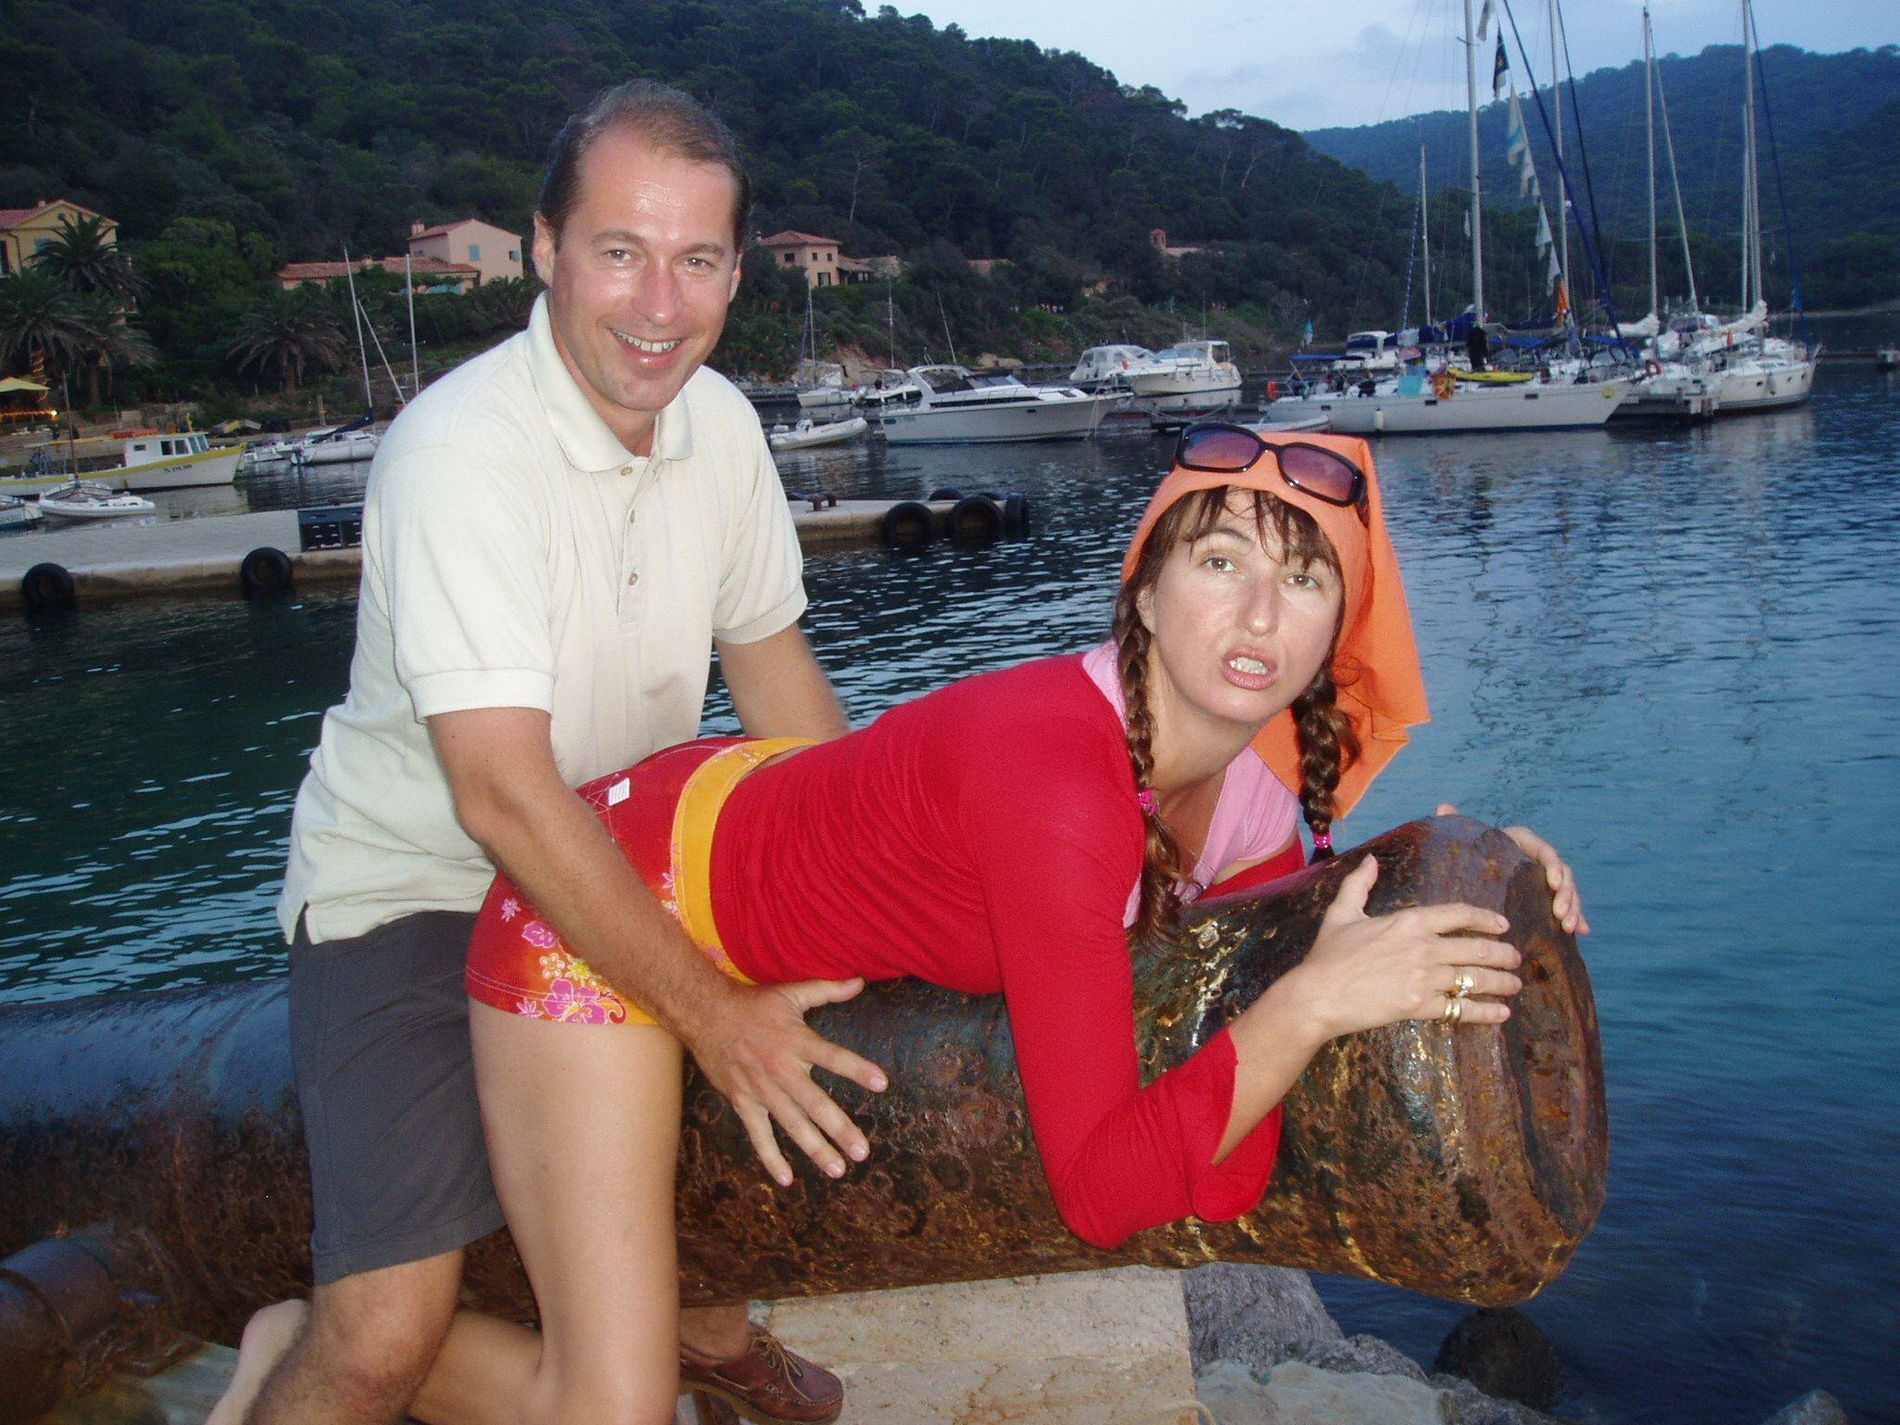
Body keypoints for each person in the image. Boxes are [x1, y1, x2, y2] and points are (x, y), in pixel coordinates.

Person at [421, 425, 1587, 1420]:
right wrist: (1312, 1005)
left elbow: (1237, 1088)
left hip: (740, 810)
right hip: (611, 902)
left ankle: (704, 1334)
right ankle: (371, 1362)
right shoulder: (1058, 792)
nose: (1256, 612)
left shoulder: (1244, 807)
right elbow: (1101, 1191)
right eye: (1219, 560)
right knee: (610, 1407)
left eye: (1304, 578)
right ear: (1143, 591)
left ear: (1339, 631)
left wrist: (1465, 874)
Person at [212, 80, 874, 1425]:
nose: (659, 303)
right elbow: (501, 795)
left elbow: (776, 681)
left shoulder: (720, 426)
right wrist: (711, 1015)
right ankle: (302, 1345)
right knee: (385, 1333)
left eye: (697, 260)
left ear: (737, 272)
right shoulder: (463, 455)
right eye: (621, 251)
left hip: (625, 868)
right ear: (546, 249)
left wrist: (881, 875)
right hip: (421, 885)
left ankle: (702, 1324)